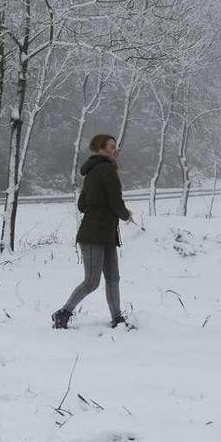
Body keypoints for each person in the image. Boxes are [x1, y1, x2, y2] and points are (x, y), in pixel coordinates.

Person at [52, 134, 133, 329]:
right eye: (112, 146)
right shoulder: (106, 170)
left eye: (116, 146)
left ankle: (117, 318)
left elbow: (82, 205)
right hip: (93, 234)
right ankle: (63, 313)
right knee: (92, 281)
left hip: (104, 232)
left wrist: (99, 208)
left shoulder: (92, 172)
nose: (116, 150)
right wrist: (125, 214)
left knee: (113, 278)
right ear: (100, 149)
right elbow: (115, 201)